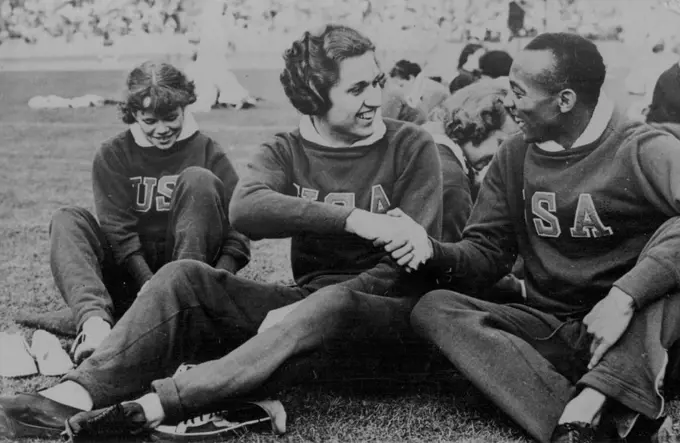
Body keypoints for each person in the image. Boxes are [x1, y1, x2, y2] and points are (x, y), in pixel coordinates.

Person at [0, 24, 442, 441]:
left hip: (383, 321)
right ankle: (70, 397)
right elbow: (246, 207)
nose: (376, 98)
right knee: (183, 277)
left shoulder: (411, 145)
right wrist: (352, 218)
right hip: (303, 308)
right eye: (358, 88)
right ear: (314, 96)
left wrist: (312, 309)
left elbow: (410, 267)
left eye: (377, 81)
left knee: (324, 305)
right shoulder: (286, 148)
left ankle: (169, 404)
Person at [385, 32, 680, 443]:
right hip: (558, 326)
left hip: (636, 332)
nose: (507, 103)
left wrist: (624, 296)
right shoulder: (516, 153)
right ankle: (588, 425)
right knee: (435, 308)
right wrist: (429, 249)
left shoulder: (642, 146)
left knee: (669, 268)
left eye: (519, 93)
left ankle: (594, 400)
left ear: (564, 100)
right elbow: (486, 253)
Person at [46, 61, 249, 364]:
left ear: (185, 107)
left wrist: (219, 280)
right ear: (133, 115)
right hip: (131, 279)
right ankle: (95, 325)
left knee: (198, 179)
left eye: (171, 118)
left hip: (190, 278)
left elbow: (239, 224)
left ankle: (185, 315)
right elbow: (118, 231)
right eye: (149, 120)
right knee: (67, 218)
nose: (162, 129)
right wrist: (148, 286)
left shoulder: (208, 150)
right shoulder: (113, 152)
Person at [424, 79, 524, 301]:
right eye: (501, 143)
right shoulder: (450, 178)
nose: (501, 156)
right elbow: (459, 269)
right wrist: (520, 288)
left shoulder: (425, 147)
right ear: (479, 123)